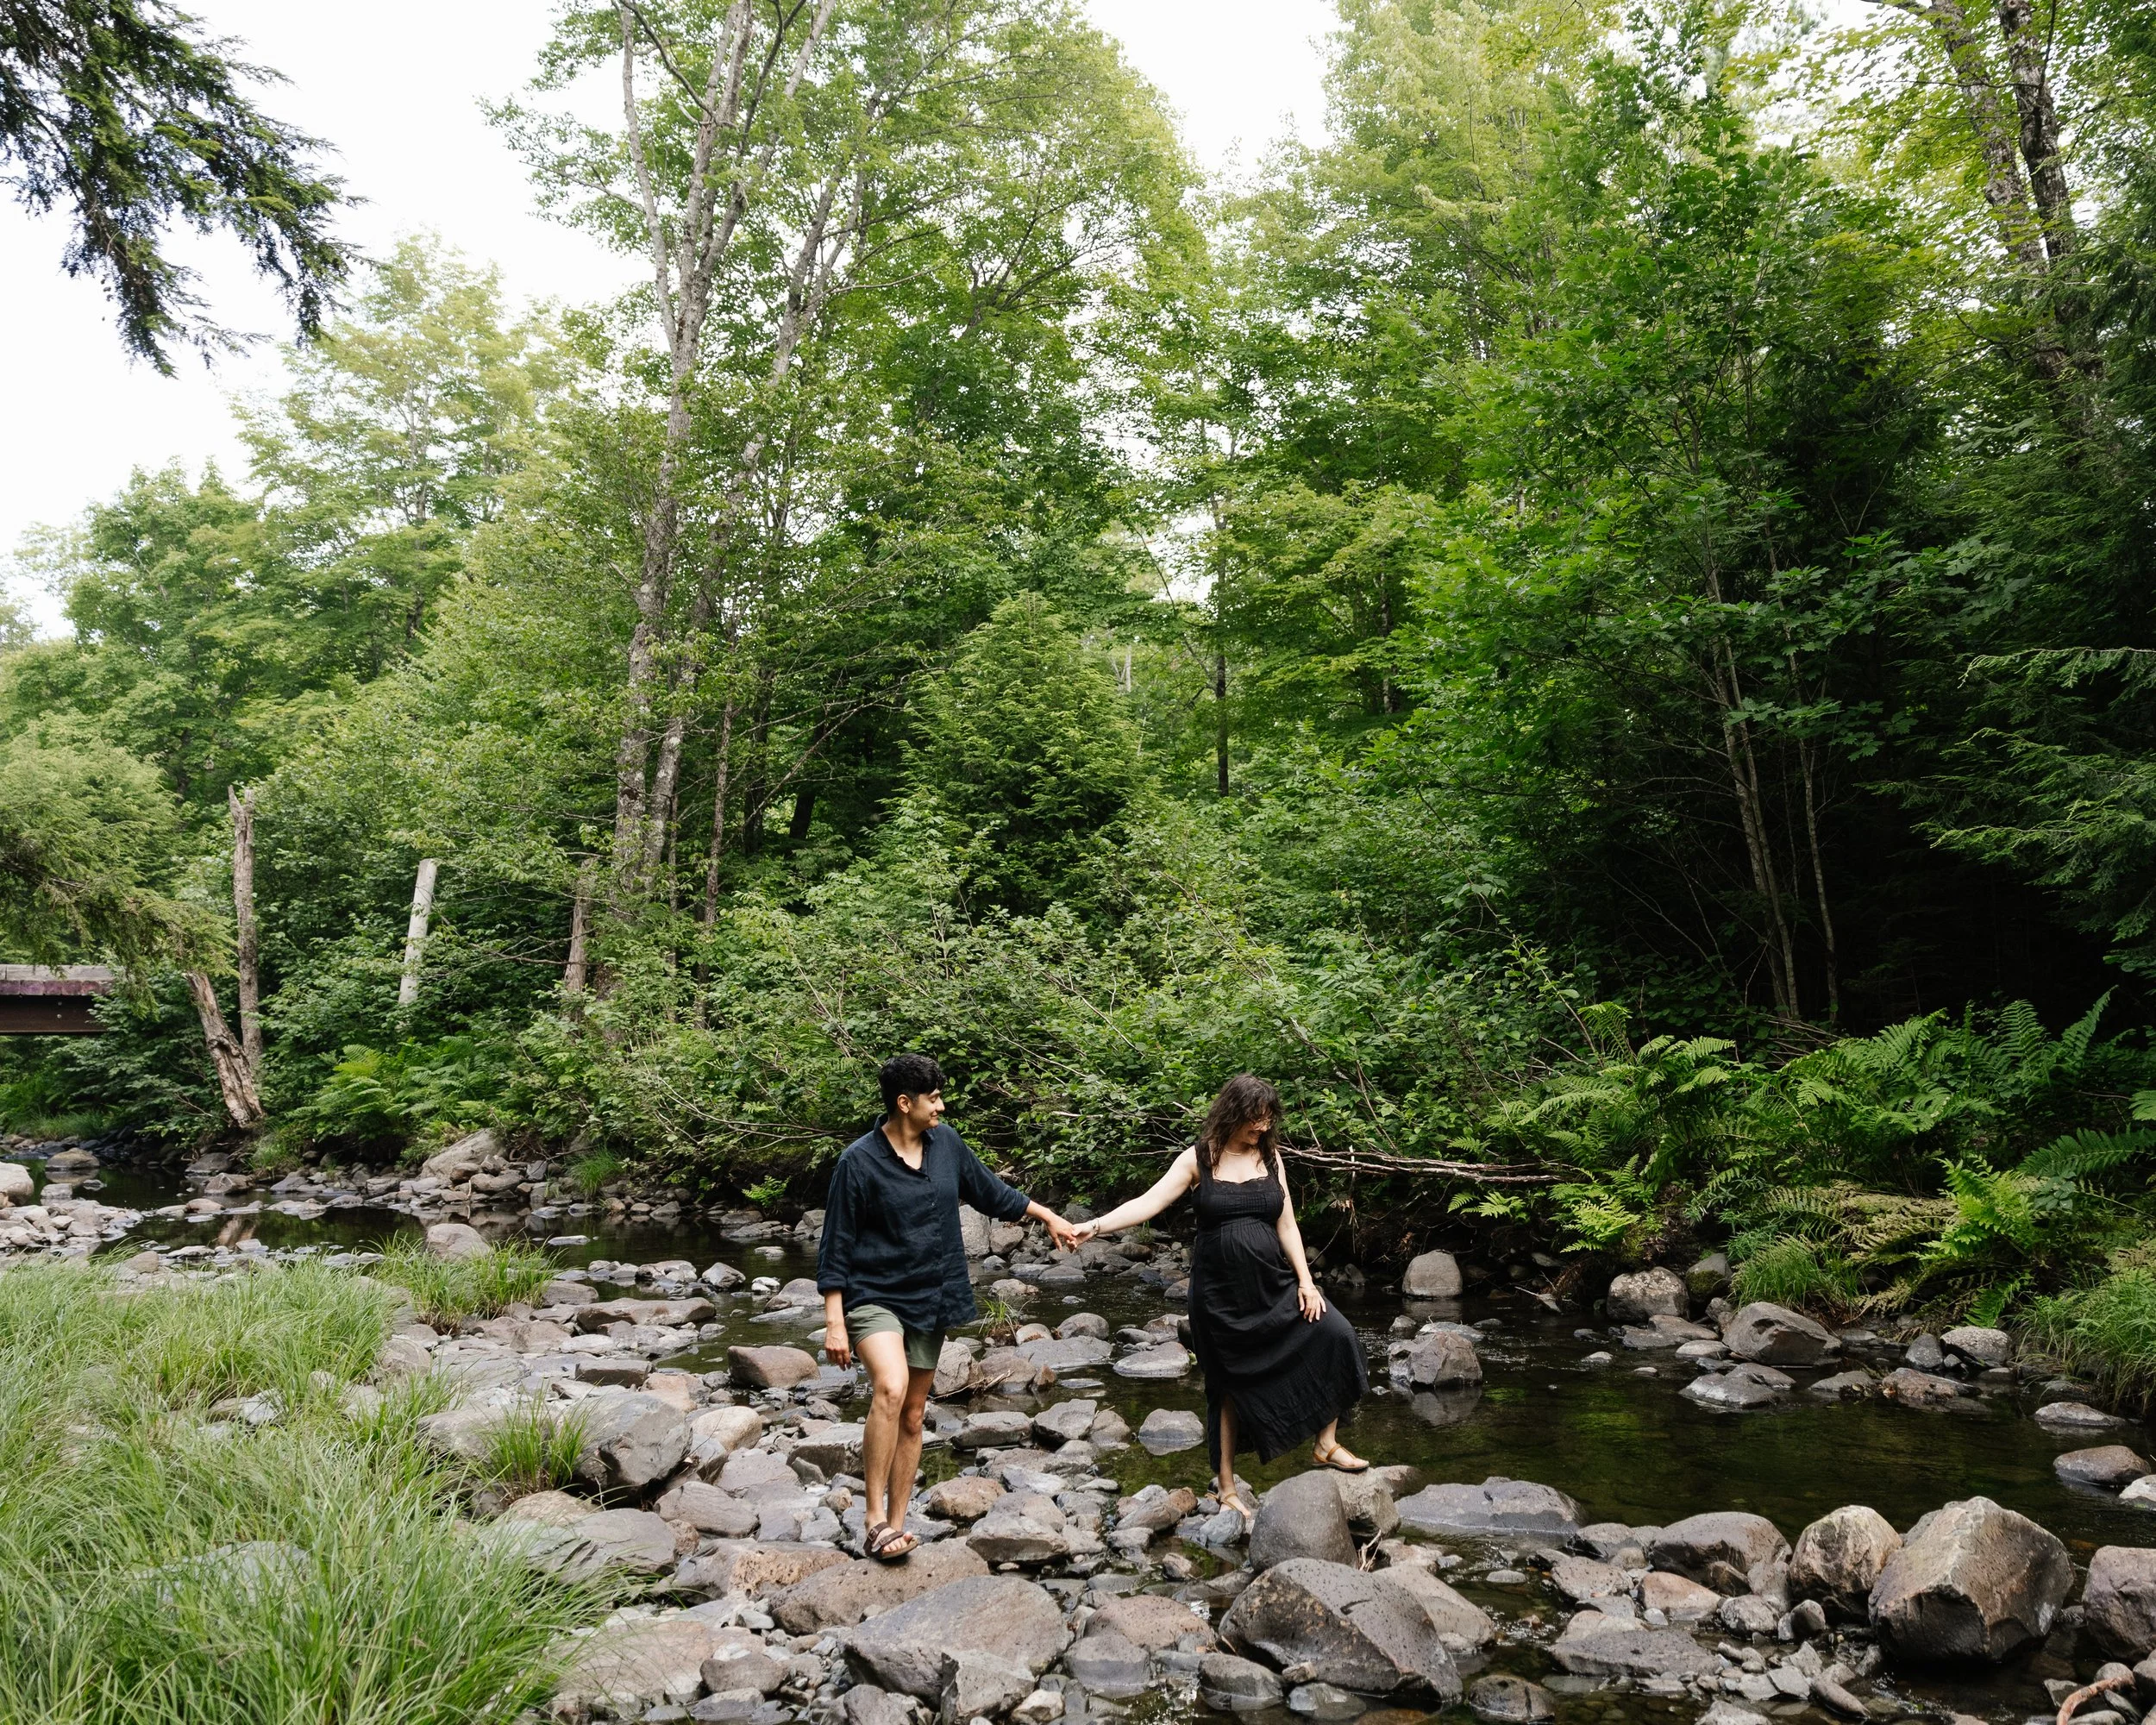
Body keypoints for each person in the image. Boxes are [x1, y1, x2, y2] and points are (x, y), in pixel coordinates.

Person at [817, 1052, 1080, 1561]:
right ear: (904, 1103)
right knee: (890, 1388)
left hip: (932, 1294)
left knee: (914, 1414)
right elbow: (837, 1245)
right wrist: (835, 1323)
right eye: (932, 1098)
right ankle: (872, 1520)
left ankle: (897, 1524)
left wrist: (1047, 1215)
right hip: (873, 1293)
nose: (940, 1105)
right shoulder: (858, 1162)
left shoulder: (947, 1145)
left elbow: (991, 1193)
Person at [1072, 1072, 1369, 1518]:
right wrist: (1092, 1227)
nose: (1263, 1128)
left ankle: (1325, 1444)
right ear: (1233, 1113)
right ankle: (1226, 1486)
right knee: (1227, 1387)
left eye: (1269, 1119)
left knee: (1337, 1334)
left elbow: (1286, 1224)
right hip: (1220, 1297)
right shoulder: (1198, 1160)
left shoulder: (1271, 1157)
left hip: (1274, 1284)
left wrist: (1307, 1282)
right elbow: (1148, 1204)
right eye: (1255, 1119)